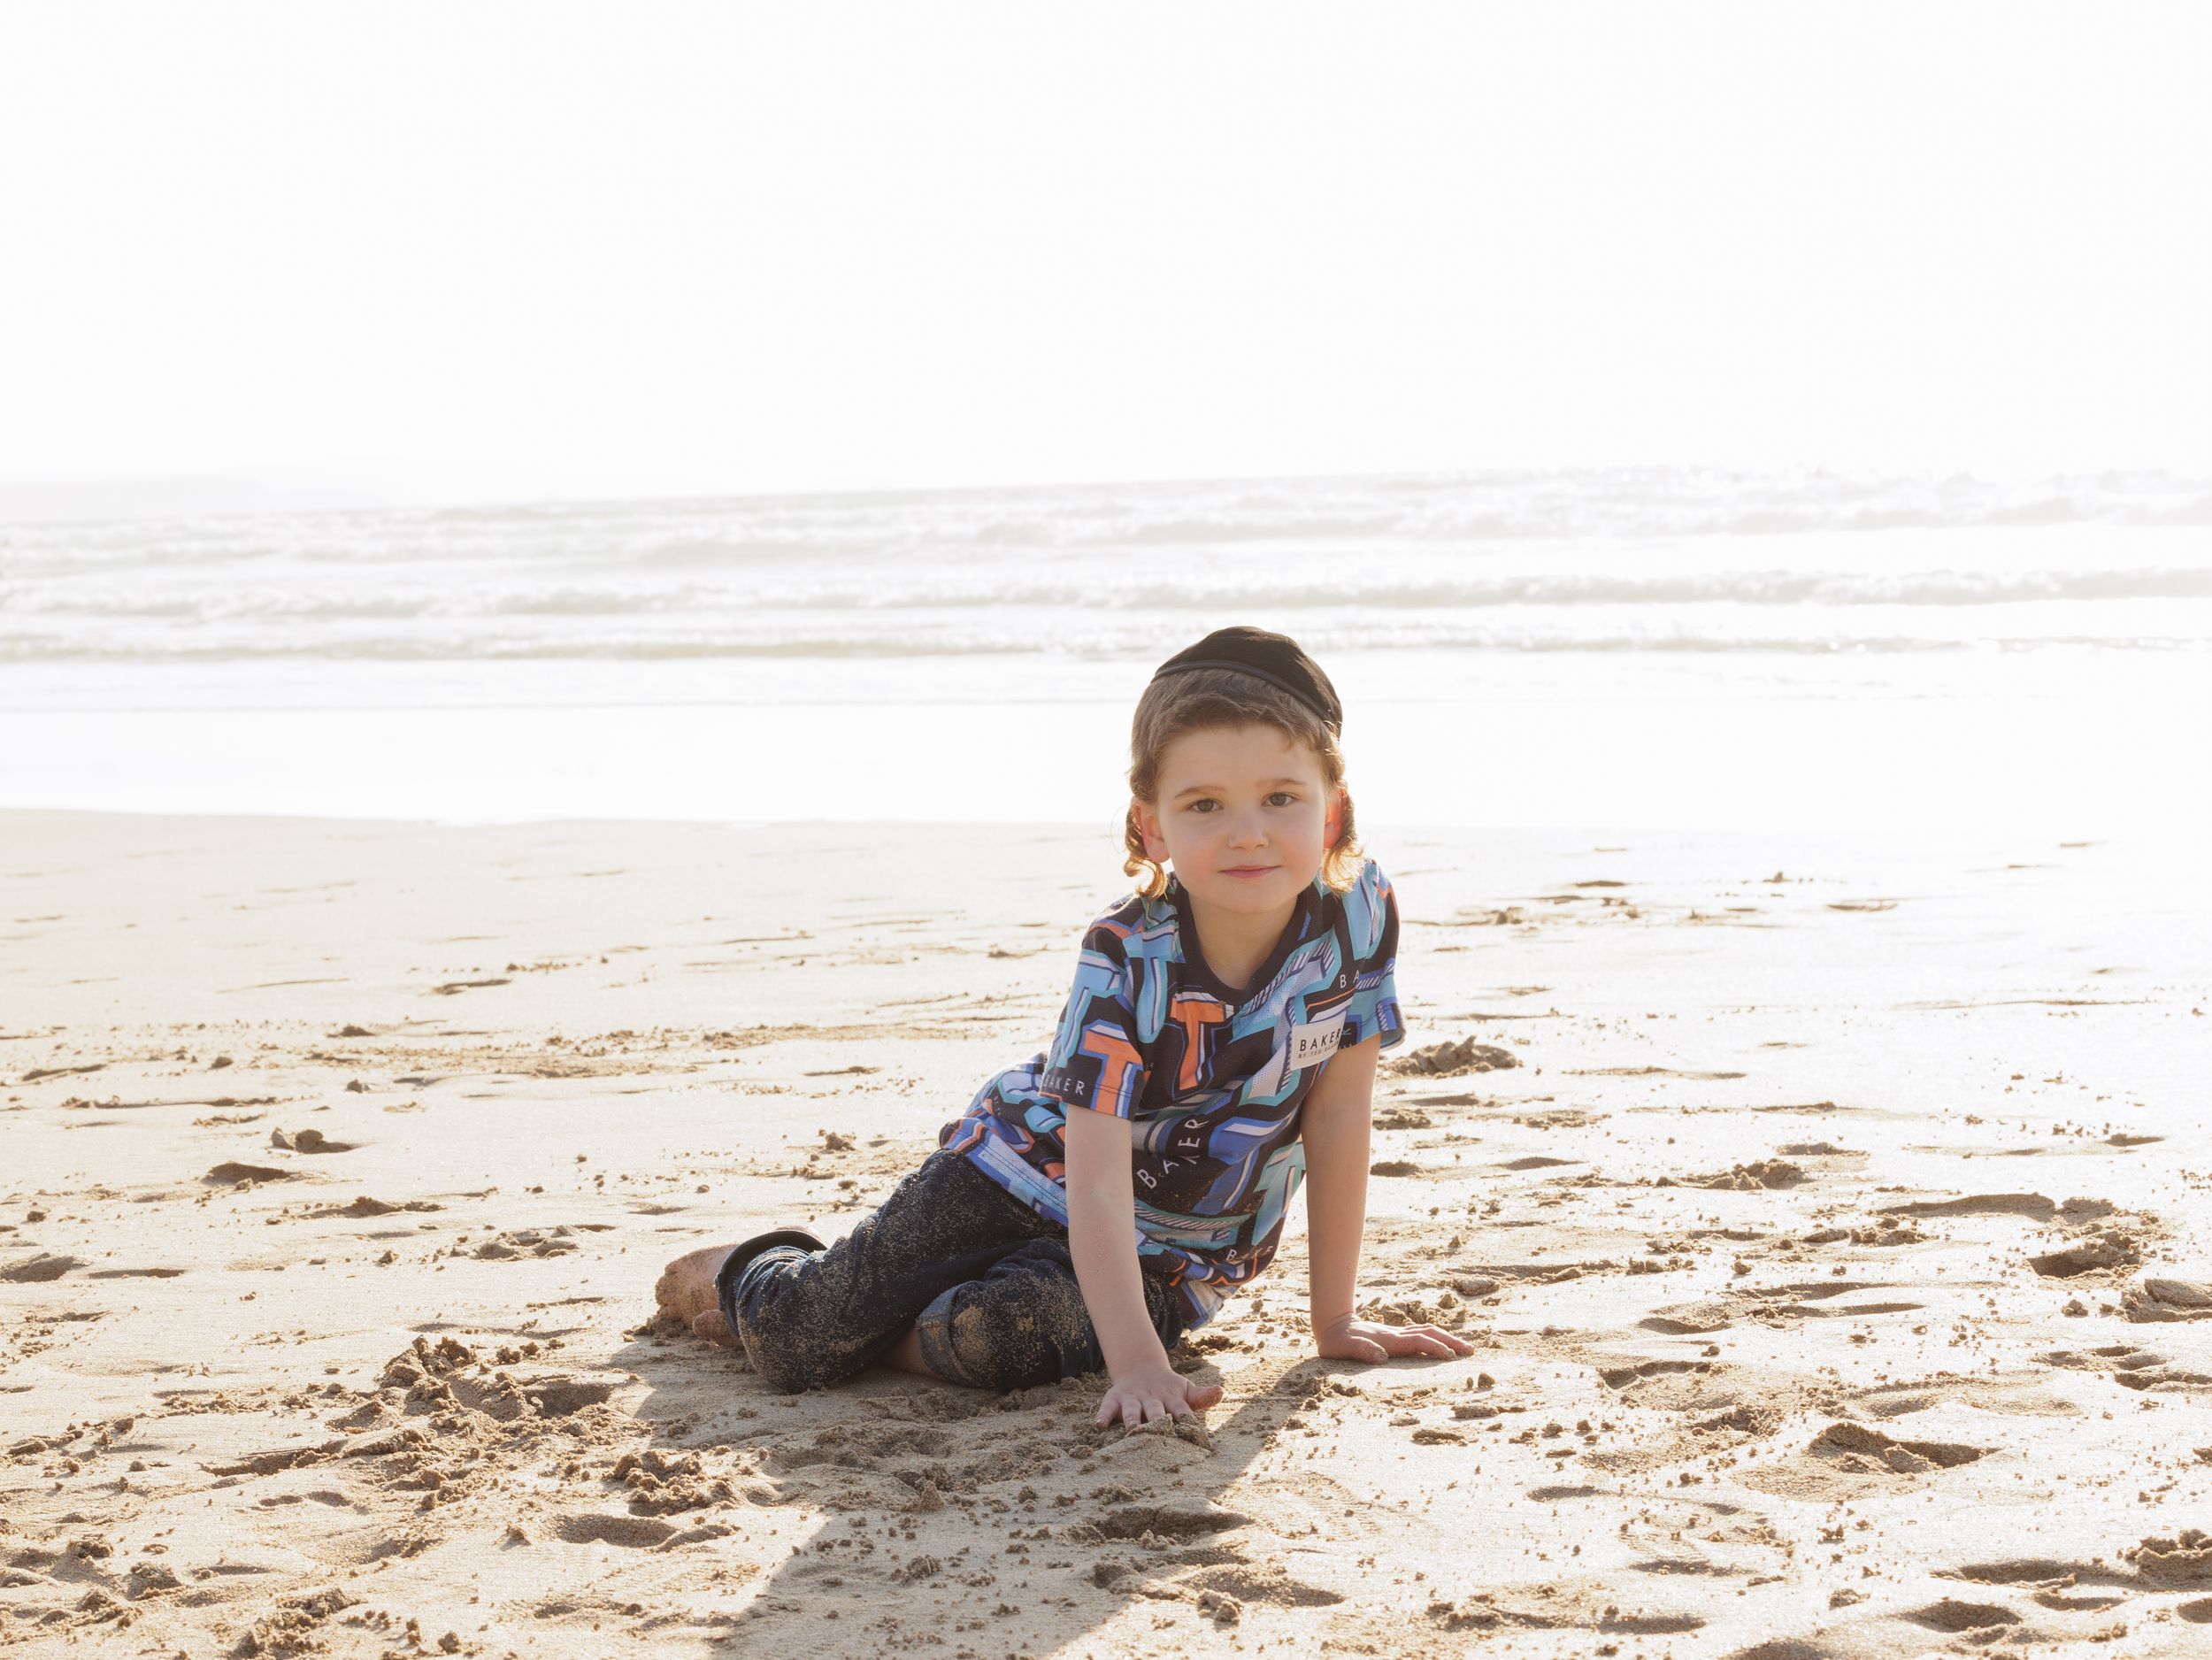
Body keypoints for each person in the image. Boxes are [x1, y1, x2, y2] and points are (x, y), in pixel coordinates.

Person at [653, 625, 1476, 1428]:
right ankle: (743, 1272)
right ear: (1152, 825)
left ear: (1332, 814)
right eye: (1204, 804)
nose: (1248, 831)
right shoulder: (1125, 955)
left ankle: (902, 1320)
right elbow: (1094, 1181)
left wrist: (1333, 1322)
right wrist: (1139, 1365)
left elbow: (1336, 1116)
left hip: (1174, 1251)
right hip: (1019, 1172)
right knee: (800, 1341)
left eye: (1282, 798)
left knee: (1003, 1337)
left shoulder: (1357, 916)